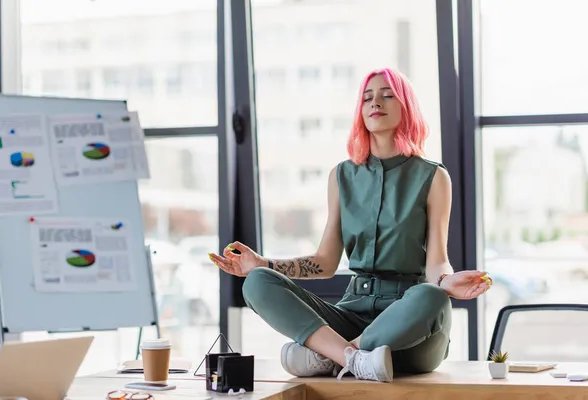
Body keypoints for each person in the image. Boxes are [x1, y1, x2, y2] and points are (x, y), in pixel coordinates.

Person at [208, 67, 492, 383]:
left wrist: (445, 283)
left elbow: (436, 260)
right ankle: (352, 358)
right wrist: (262, 263)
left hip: (410, 329)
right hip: (352, 312)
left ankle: (329, 355)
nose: (375, 103)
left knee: (432, 296)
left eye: (387, 95)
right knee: (258, 282)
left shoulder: (434, 176)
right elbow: (325, 262)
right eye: (367, 97)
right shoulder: (341, 176)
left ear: (406, 107)